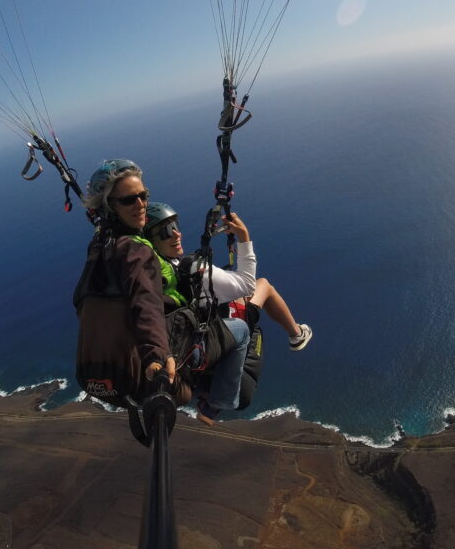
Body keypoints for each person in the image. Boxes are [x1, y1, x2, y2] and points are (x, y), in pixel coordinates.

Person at [144, 202, 313, 424]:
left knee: (241, 296)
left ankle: (295, 334)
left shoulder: (157, 272)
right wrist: (244, 237)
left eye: (175, 226)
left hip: (191, 359)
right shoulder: (194, 272)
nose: (176, 234)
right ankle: (296, 334)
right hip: (227, 369)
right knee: (263, 286)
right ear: (153, 241)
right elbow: (247, 284)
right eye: (166, 231)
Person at [73, 160, 183, 409]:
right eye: (129, 200)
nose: (141, 205)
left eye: (143, 196)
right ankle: (217, 402)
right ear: (109, 206)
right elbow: (146, 300)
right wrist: (157, 354)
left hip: (94, 376)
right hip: (139, 379)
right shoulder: (137, 250)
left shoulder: (98, 244)